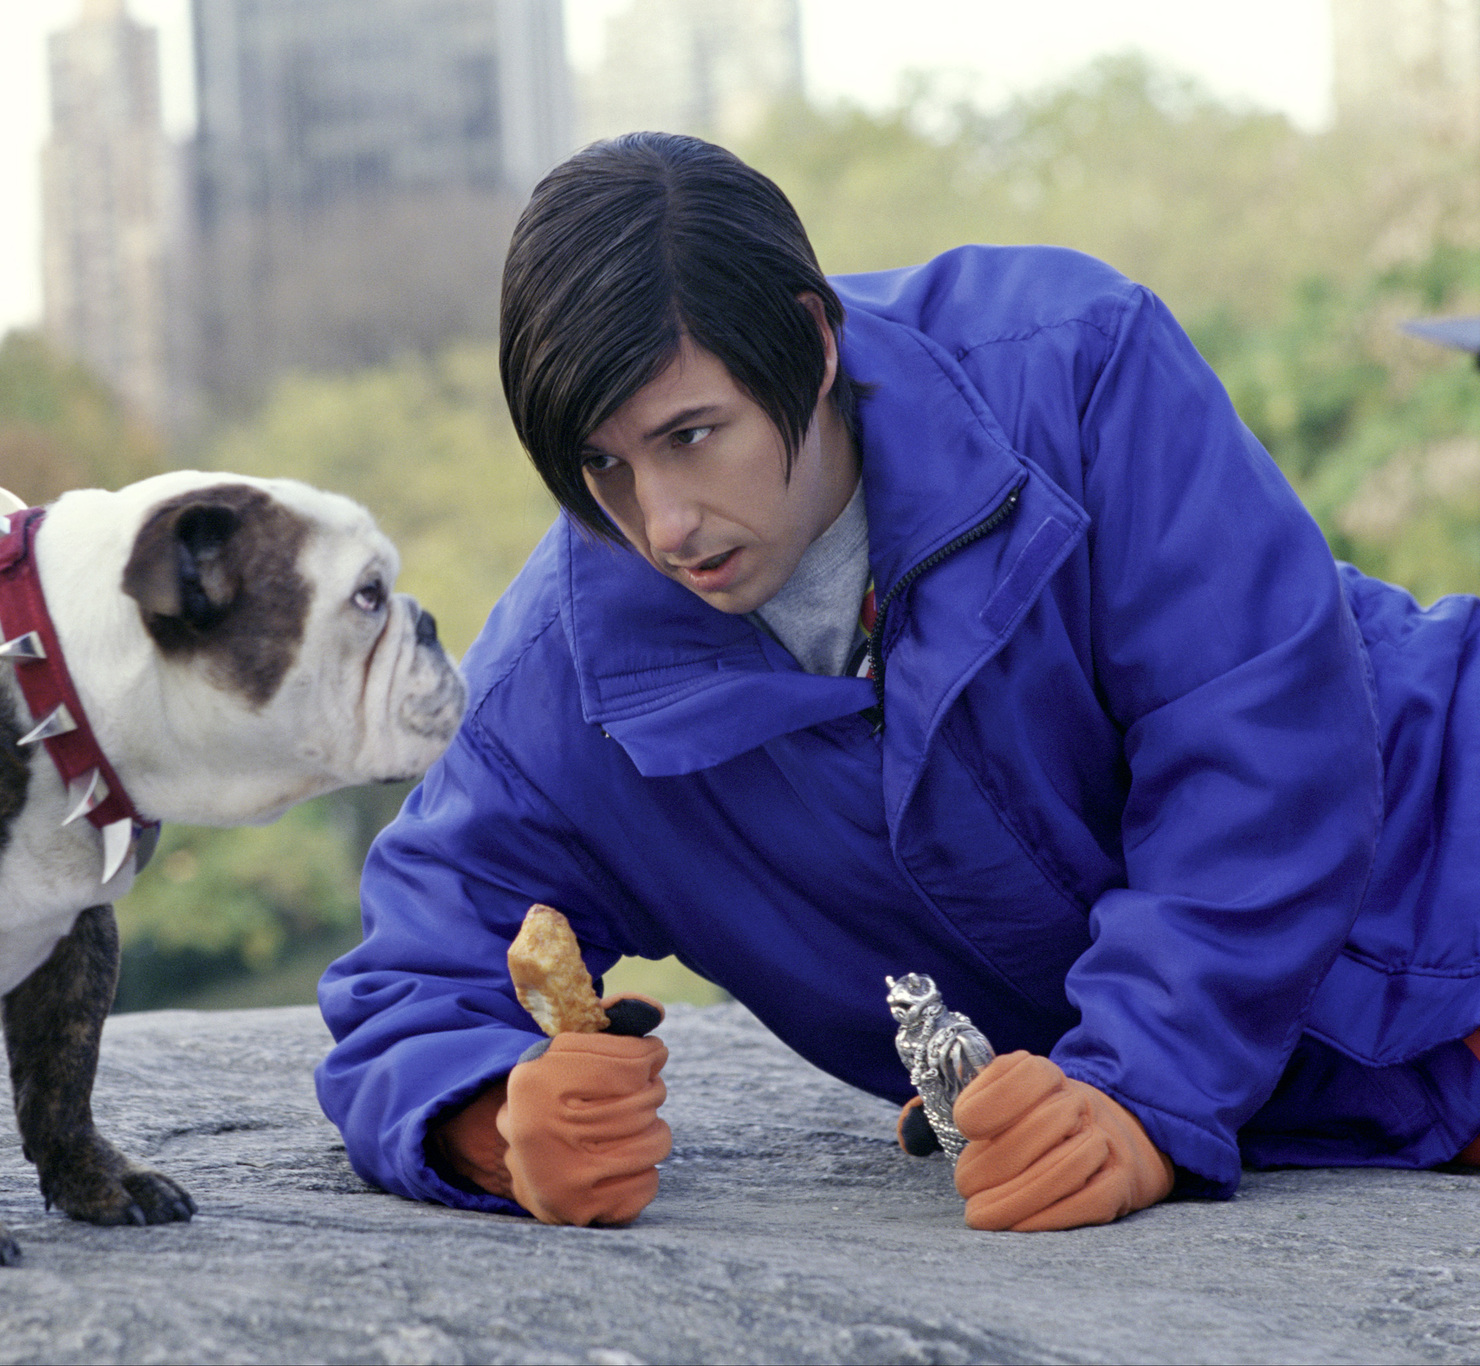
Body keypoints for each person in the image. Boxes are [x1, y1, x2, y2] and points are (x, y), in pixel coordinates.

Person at [313, 131, 1480, 1232]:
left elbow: (1252, 733)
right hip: (1320, 1116)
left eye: (690, 435)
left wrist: (1138, 1087)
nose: (661, 523)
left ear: (811, 341)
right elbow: (406, 977)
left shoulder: (1076, 364)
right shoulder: (553, 689)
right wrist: (488, 1124)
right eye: (601, 467)